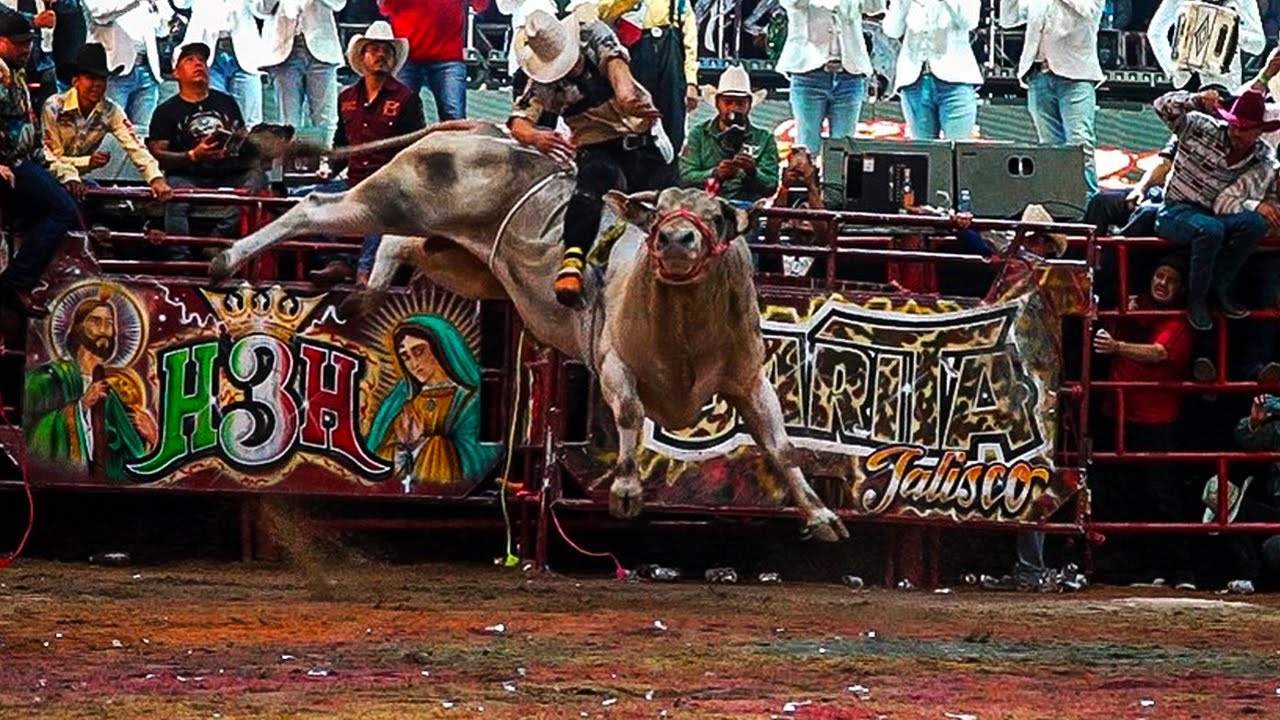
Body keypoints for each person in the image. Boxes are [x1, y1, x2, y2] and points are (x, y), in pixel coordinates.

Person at [507, 7, 669, 307]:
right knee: (592, 182)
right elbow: (519, 121)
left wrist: (626, 97)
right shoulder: (537, 80)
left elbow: (617, 67)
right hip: (597, 146)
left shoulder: (593, 34)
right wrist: (536, 137)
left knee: (669, 203)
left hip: (646, 143)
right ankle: (573, 260)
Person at [1151, 52, 1280, 331]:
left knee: (1254, 224)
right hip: (1175, 210)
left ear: (1259, 132)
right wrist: (1195, 100)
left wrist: (1258, 206)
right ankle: (1197, 299)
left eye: (1245, 130)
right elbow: (1161, 106)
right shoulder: (1201, 126)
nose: (1237, 133)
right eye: (1234, 126)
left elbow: (1251, 193)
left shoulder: (1262, 157)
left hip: (1215, 213)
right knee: (1210, 230)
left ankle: (1220, 287)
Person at [1094, 255, 1198, 589]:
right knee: (1126, 493)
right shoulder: (1138, 307)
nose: (1162, 283)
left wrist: (1117, 346)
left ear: (1181, 288)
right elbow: (1108, 330)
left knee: (1162, 495)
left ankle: (1182, 570)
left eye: (1171, 279)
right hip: (1119, 413)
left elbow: (1159, 352)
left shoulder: (1178, 321)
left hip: (1155, 420)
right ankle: (1141, 568)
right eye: (1159, 276)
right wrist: (1122, 315)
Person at [313, 20, 426, 286]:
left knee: (378, 204)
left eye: (386, 51)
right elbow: (342, 142)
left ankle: (364, 271)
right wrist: (329, 168)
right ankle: (338, 261)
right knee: (309, 199)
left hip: (389, 182)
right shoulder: (347, 98)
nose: (380, 55)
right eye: (374, 50)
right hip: (354, 179)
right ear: (362, 57)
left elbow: (414, 148)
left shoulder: (406, 98)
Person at [23, 289, 158, 482]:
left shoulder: (111, 395)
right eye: (95, 321)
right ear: (78, 328)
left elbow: (128, 457)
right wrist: (82, 406)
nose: (104, 329)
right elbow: (32, 435)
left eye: (109, 323)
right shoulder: (48, 378)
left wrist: (152, 438)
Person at [146, 42, 264, 253]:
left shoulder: (227, 102)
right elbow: (158, 154)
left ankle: (216, 240)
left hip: (227, 171)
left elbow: (240, 136)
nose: (198, 64)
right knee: (175, 193)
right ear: (176, 73)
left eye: (202, 60)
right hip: (187, 174)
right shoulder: (165, 111)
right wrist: (193, 155)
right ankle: (180, 256)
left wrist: (236, 146)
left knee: (258, 179)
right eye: (190, 60)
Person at [366, 314, 502, 491]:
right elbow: (378, 460)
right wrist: (402, 448)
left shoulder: (471, 400)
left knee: (438, 444)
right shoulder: (401, 401)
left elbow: (479, 458)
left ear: (441, 348)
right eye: (405, 357)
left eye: (419, 351)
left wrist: (423, 444)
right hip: (401, 494)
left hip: (453, 496)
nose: (413, 363)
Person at [0, 12, 78, 318]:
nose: (26, 49)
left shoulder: (16, 74)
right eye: (18, 43)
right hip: (11, 163)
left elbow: (27, 127)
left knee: (56, 205)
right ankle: (16, 282)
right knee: (62, 208)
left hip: (22, 159)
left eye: (28, 43)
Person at [999, 0, 1104, 197]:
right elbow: (1008, 19)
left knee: (1080, 143)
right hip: (1039, 75)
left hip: (1076, 75)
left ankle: (1089, 204)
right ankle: (1057, 203)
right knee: (1050, 148)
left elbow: (1088, 11)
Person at [42, 43, 172, 200]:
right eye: (91, 78)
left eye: (102, 79)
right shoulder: (54, 107)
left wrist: (156, 178)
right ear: (76, 81)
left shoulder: (111, 111)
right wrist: (84, 165)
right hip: (48, 175)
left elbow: (135, 146)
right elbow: (51, 157)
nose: (97, 84)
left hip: (77, 179)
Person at [592, 0, 699, 183]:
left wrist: (691, 81)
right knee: (630, 126)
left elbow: (689, 35)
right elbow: (599, 15)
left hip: (669, 63)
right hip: (629, 61)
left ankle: (663, 189)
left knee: (671, 133)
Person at [776, 0, 885, 152]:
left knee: (843, 146)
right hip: (808, 74)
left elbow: (874, 7)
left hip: (849, 75)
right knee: (808, 144)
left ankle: (837, 168)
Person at [882, 0, 982, 140]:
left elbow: (969, 22)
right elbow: (892, 31)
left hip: (956, 81)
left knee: (958, 147)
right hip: (915, 82)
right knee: (924, 150)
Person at [679, 65, 779, 203]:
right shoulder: (699, 134)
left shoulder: (764, 139)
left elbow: (772, 185)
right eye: (728, 102)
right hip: (707, 206)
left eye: (740, 103)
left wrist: (752, 172)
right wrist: (715, 173)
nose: (734, 107)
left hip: (748, 208)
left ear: (749, 104)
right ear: (717, 103)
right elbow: (684, 177)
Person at [378, 0, 488, 121]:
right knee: (398, 117)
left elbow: (480, 4)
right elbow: (385, 7)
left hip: (444, 57)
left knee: (454, 118)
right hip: (410, 58)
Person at [260, 0, 345, 143]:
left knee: (326, 119)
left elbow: (338, 3)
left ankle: (326, 154)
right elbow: (261, 9)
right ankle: (289, 157)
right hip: (282, 50)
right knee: (287, 122)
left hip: (322, 47)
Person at [172, 0, 268, 126]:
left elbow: (262, 10)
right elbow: (181, 3)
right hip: (207, 55)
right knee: (211, 118)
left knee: (250, 122)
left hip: (245, 52)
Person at [85, 0, 174, 137]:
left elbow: (162, 31)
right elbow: (100, 15)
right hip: (114, 73)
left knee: (143, 133)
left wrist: (161, 9)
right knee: (109, 132)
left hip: (147, 70)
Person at [1148, 0, 1265, 91]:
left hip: (1224, 83)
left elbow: (1259, 44)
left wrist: (1233, 34)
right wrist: (1173, 69)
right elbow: (1155, 32)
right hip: (1187, 80)